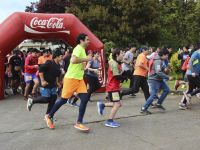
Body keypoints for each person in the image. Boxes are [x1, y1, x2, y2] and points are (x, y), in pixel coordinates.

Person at [44, 33, 92, 131]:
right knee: (63, 100)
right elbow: (73, 60)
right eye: (87, 39)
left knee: (85, 99)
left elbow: (81, 66)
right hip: (71, 78)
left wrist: (86, 63)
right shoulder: (78, 48)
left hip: (79, 79)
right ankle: (49, 116)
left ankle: (79, 123)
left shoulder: (82, 50)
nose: (89, 41)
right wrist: (86, 58)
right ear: (81, 41)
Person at [27, 49, 63, 122]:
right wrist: (42, 80)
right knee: (46, 99)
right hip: (46, 84)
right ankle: (32, 101)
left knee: (53, 98)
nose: (62, 57)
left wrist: (58, 83)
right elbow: (40, 70)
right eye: (61, 56)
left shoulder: (58, 65)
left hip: (53, 84)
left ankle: (48, 115)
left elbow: (56, 75)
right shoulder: (49, 62)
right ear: (57, 57)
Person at [97, 49, 124, 128]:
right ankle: (109, 121)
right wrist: (124, 78)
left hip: (115, 87)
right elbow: (116, 76)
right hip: (113, 87)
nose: (123, 55)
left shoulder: (116, 63)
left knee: (119, 104)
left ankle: (102, 105)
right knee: (117, 104)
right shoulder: (114, 63)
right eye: (122, 53)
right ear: (117, 55)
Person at [141, 49, 170, 114]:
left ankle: (159, 103)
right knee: (153, 95)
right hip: (154, 80)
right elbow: (158, 72)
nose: (167, 57)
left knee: (167, 90)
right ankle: (143, 108)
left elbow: (161, 70)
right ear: (163, 55)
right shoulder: (158, 61)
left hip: (159, 79)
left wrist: (166, 70)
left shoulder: (161, 60)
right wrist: (167, 77)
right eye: (167, 55)